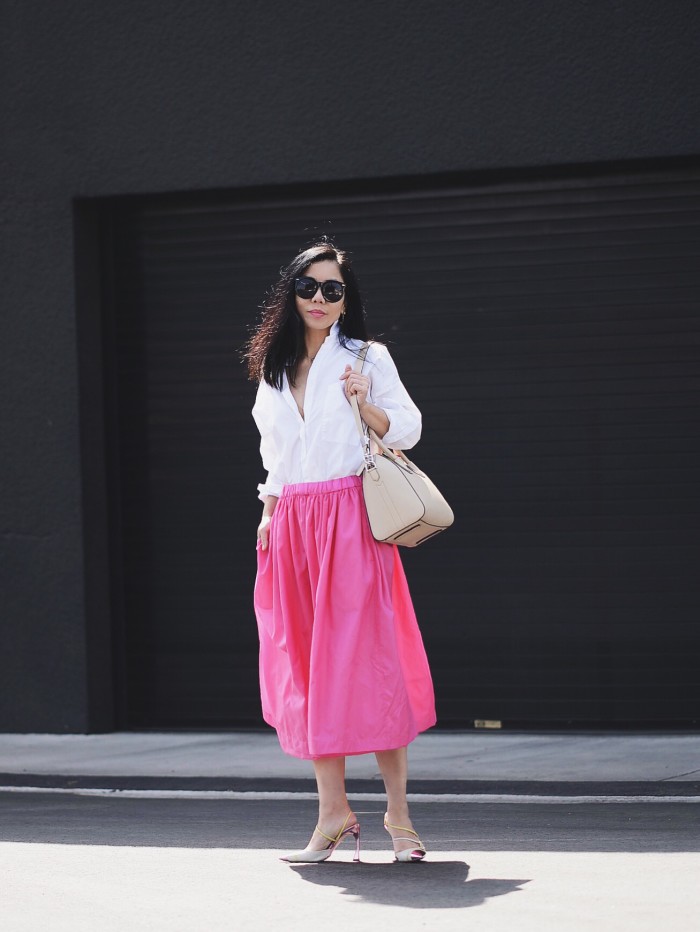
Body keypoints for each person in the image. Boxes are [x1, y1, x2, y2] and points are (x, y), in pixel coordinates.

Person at [244, 240, 436, 863]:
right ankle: (332, 813)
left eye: (333, 290)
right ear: (291, 293)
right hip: (293, 526)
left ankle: (399, 816)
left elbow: (408, 428)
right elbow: (276, 454)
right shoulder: (273, 368)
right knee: (307, 667)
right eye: (310, 287)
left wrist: (364, 400)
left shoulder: (365, 356)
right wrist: (270, 512)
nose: (321, 299)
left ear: (345, 299)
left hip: (351, 520)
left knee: (374, 662)